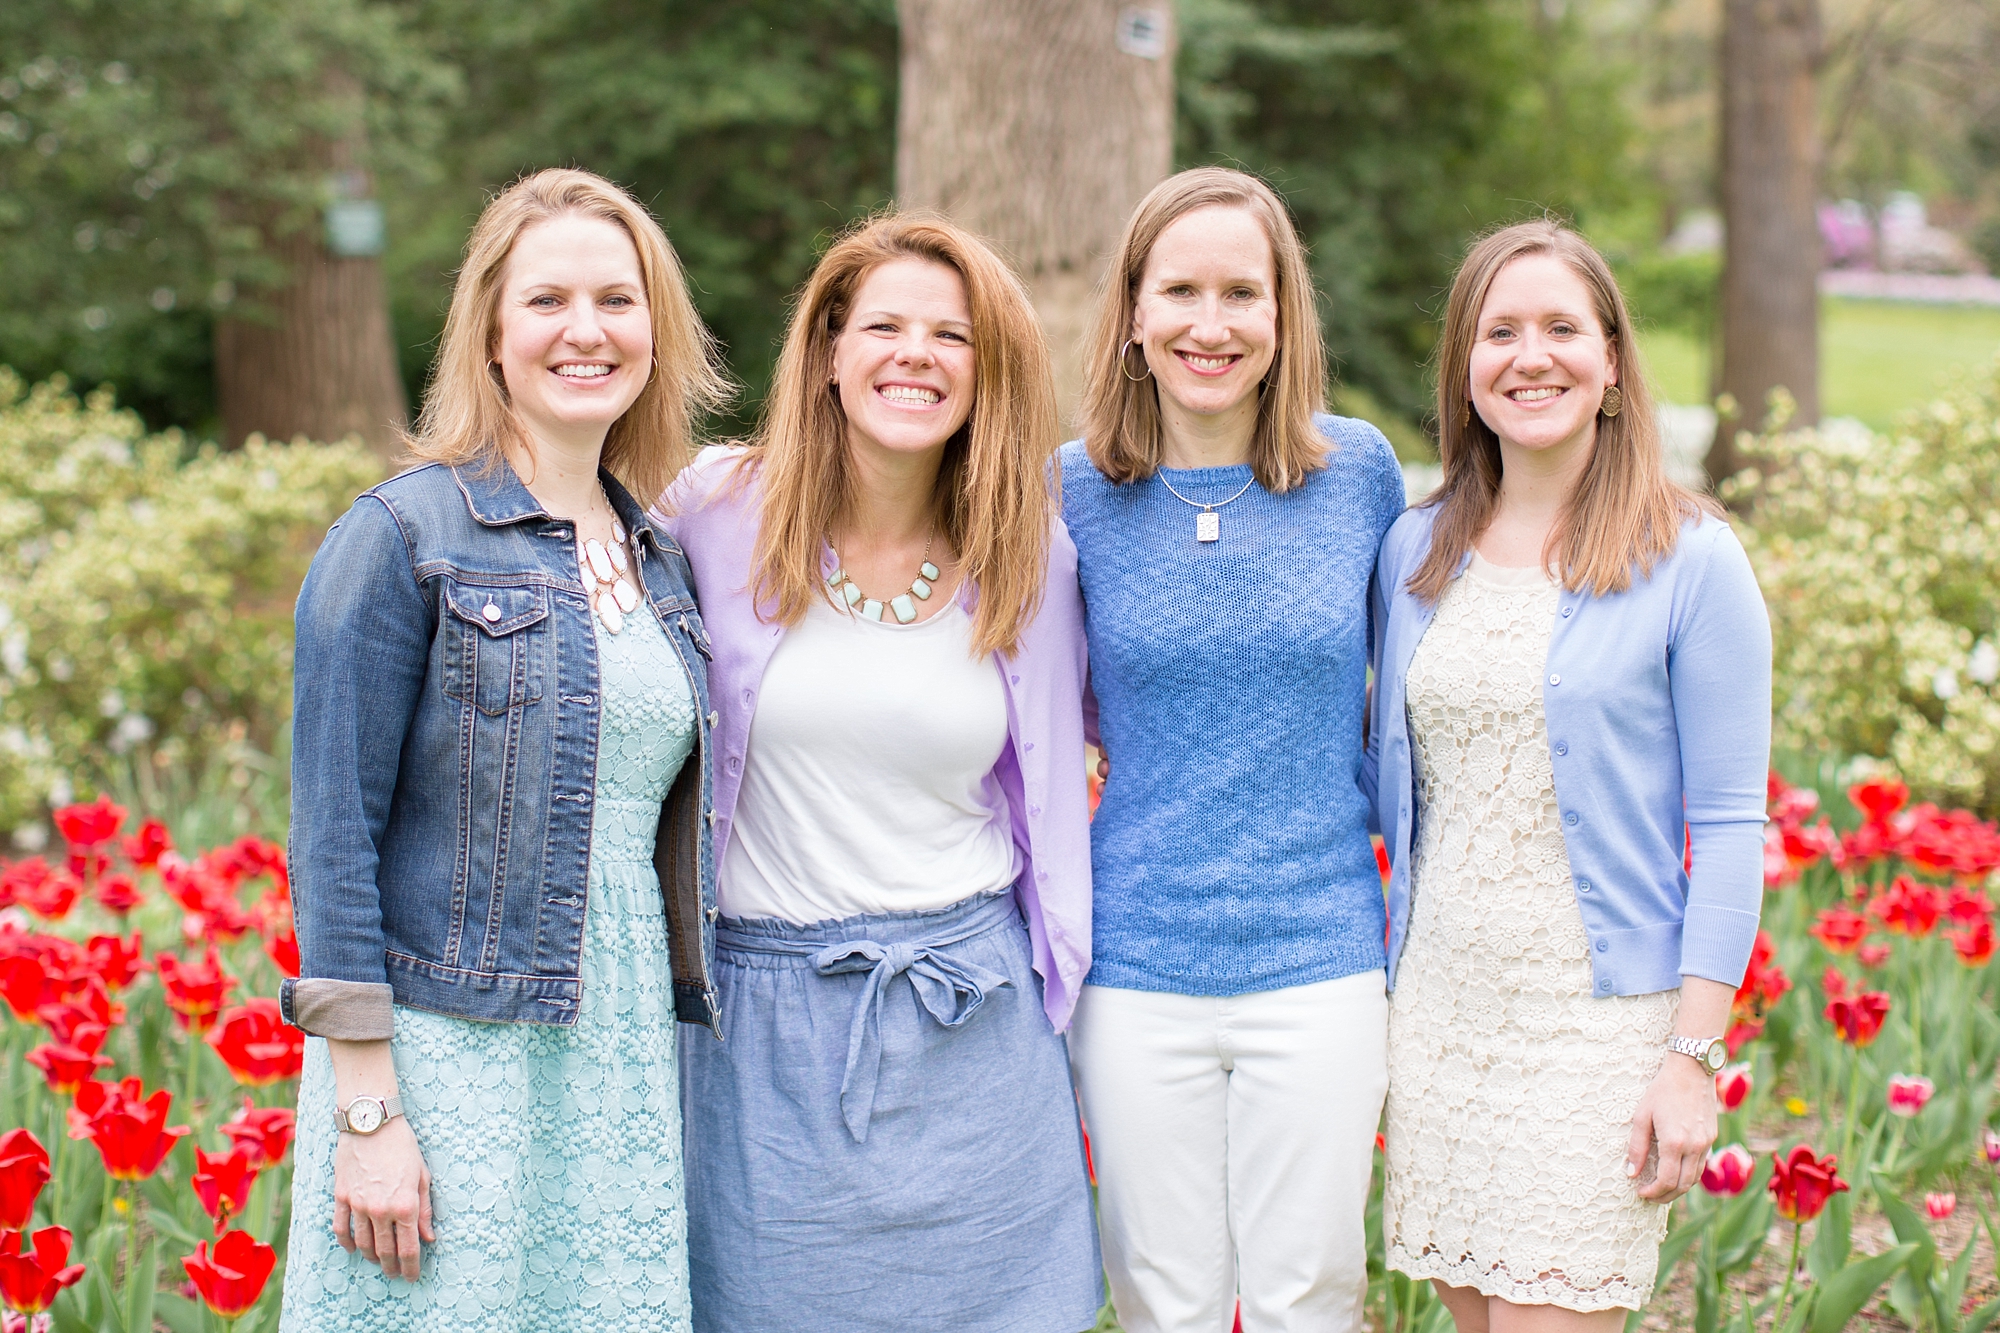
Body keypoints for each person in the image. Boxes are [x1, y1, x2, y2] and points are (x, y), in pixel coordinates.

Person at [279, 167, 731, 1332]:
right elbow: (334, 839)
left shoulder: (664, 560)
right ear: (489, 332)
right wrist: (369, 1115)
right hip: (451, 1050)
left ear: (655, 331)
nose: (586, 331)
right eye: (546, 302)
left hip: (622, 1046)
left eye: (617, 302)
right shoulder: (398, 536)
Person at [661, 213, 1103, 1333]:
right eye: (886, 325)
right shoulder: (713, 512)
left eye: (950, 335)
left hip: (974, 1020)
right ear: (826, 352)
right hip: (761, 1029)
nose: (916, 353)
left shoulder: (1030, 558)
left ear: (986, 372)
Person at [1368, 219, 1771, 1331]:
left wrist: (1689, 1058)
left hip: (1598, 1030)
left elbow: (1732, 821)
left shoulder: (1689, 559)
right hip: (1441, 1017)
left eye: (1559, 328)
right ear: (1463, 367)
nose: (1528, 355)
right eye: (1499, 331)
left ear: (1608, 364)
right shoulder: (1410, 552)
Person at [1060, 166, 1407, 1333]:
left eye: (1240, 294)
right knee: (1163, 1298)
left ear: (1280, 313)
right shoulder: (1068, 492)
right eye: (1181, 293)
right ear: (1135, 312)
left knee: (1308, 1291)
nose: (1210, 325)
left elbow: (1417, 678)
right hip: (1135, 955)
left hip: (1314, 952)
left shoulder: (1355, 472)